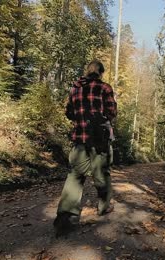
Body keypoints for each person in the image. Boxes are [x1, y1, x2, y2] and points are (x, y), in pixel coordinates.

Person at [53, 60, 117, 237]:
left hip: (79, 139)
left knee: (75, 176)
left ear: (87, 71)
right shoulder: (105, 88)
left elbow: (68, 112)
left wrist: (80, 119)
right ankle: (103, 207)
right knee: (101, 174)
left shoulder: (75, 88)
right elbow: (112, 112)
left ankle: (66, 216)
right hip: (99, 140)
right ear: (101, 72)